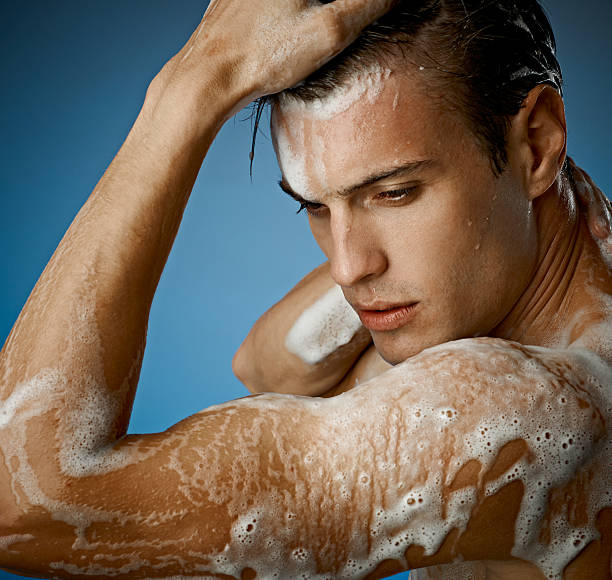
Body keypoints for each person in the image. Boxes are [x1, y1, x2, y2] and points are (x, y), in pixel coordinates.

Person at [0, 1, 609, 579]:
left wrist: (192, 86)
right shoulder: (567, 233)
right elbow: (267, 366)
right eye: (315, 206)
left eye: (394, 193)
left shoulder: (530, 412)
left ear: (536, 142)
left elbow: (20, 504)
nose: (347, 267)